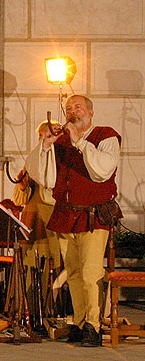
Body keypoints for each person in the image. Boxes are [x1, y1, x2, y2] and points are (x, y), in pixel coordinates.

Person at [25, 95, 121, 347]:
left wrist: (79, 142)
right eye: (68, 108)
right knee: (75, 273)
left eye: (78, 107)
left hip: (93, 215)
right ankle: (79, 323)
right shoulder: (62, 141)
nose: (72, 112)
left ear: (90, 112)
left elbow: (102, 171)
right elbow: (41, 175)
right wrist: (46, 145)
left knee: (90, 273)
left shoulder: (105, 136)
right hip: (67, 214)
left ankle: (94, 326)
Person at [13, 121, 62, 316]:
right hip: (32, 216)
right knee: (29, 263)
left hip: (52, 218)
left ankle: (50, 308)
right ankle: (27, 308)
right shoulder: (33, 160)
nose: (43, 139)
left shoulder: (61, 159)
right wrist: (22, 186)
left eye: (47, 135)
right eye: (40, 136)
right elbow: (19, 197)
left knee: (52, 262)